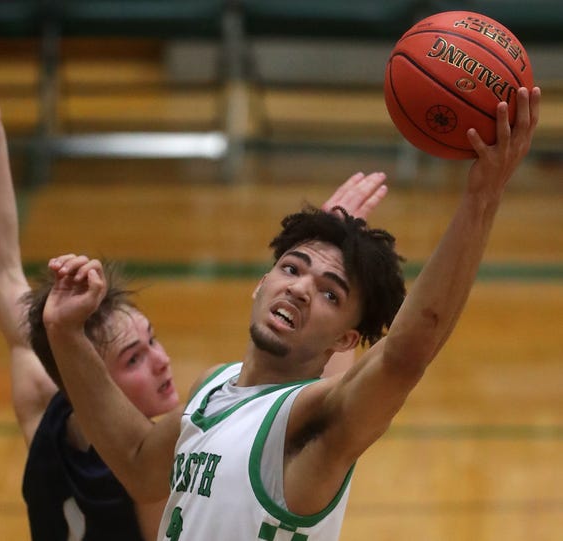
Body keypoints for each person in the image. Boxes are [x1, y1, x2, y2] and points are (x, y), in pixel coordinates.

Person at [41, 81, 540, 540]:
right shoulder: (216, 388)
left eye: (330, 294)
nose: (301, 289)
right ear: (261, 283)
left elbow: (406, 354)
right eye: (291, 268)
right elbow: (136, 461)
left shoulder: (311, 425)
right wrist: (65, 332)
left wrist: (482, 196)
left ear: (345, 340)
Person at [0, 56, 390, 540]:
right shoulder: (164, 477)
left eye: (152, 340)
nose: (162, 361)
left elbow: (1, 272)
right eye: (133, 359)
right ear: (85, 379)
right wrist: (334, 286)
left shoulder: (50, 410)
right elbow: (308, 401)